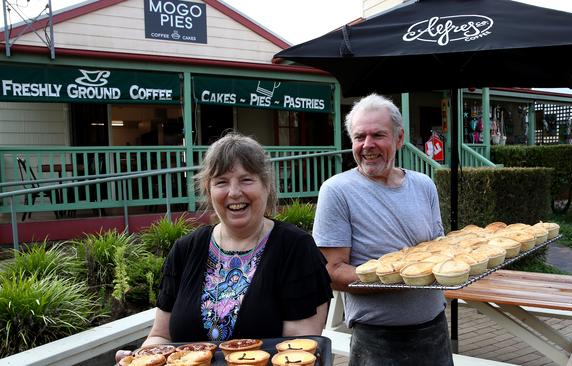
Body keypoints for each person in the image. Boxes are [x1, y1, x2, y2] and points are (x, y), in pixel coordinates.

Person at [117, 132, 332, 360]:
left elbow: (297, 352)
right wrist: (141, 358)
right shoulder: (185, 250)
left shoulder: (296, 249)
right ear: (209, 191)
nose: (234, 192)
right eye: (221, 182)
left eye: (246, 179)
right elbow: (161, 336)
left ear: (266, 185)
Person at [313, 94, 453, 366]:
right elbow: (332, 272)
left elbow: (439, 249)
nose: (367, 145)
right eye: (359, 137)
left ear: (399, 139)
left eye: (378, 135)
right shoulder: (337, 191)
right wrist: (400, 277)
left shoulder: (424, 185)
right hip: (377, 340)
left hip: (435, 329)